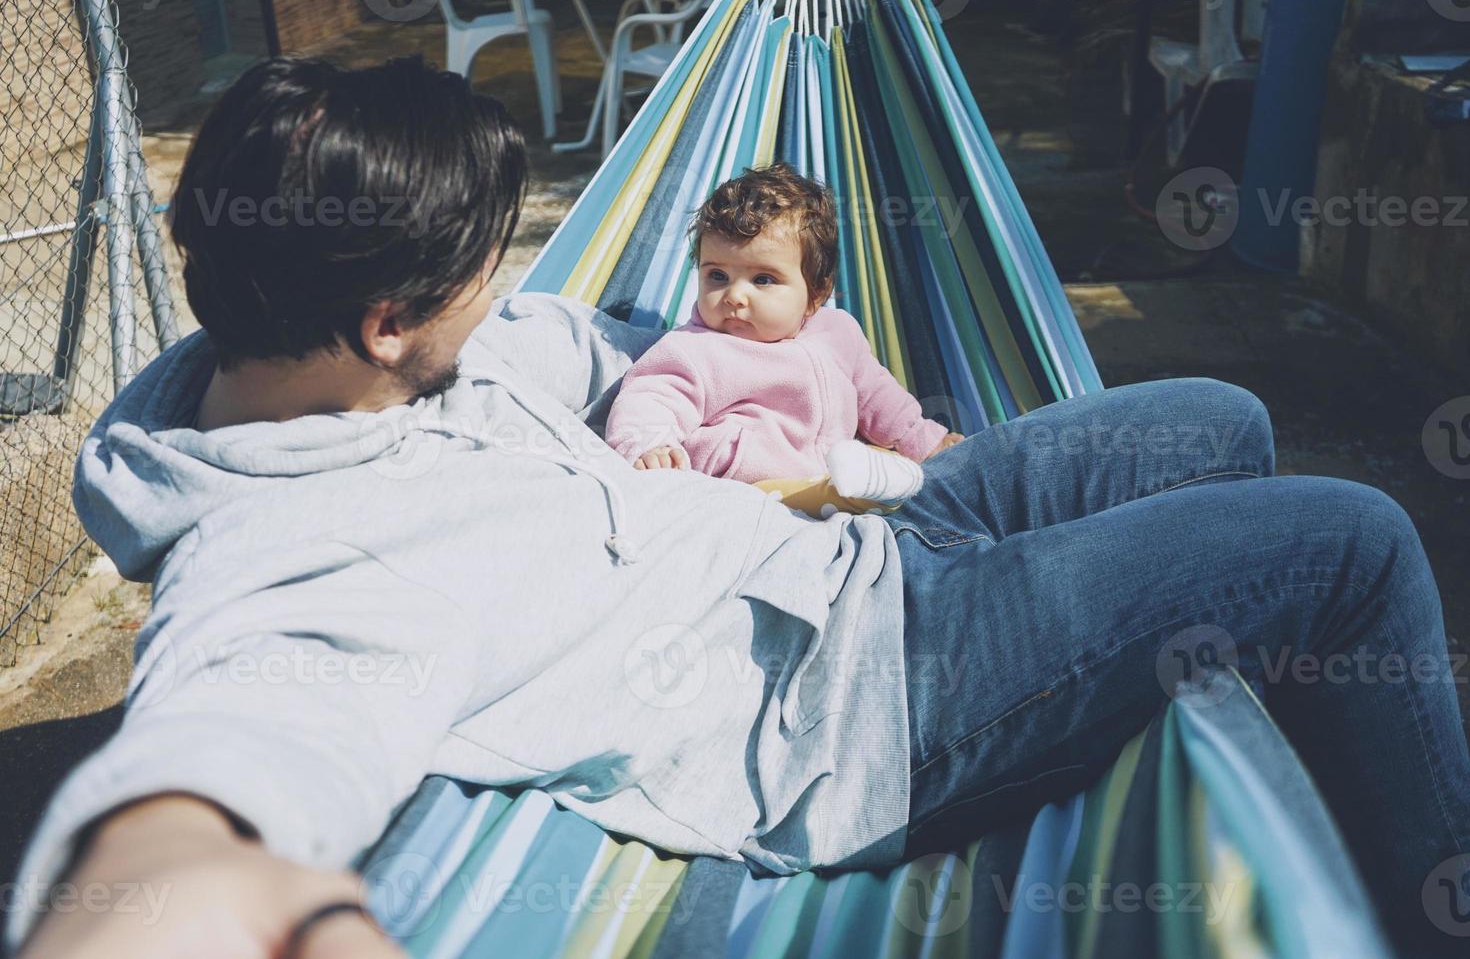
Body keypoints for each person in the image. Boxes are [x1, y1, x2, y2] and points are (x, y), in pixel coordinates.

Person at [8, 56, 1468, 959]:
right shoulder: (288, 556)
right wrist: (157, 870)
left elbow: (592, 337)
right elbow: (230, 742)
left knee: (1222, 422)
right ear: (391, 317)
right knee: (1351, 544)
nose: (508, 288)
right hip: (865, 694)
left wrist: (765, 336)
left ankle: (1321, 786)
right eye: (484, 268)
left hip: (856, 531)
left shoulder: (365, 348)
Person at [604, 163, 962, 506]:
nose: (734, 296)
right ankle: (850, 498)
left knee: (889, 474)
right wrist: (650, 445)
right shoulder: (693, 350)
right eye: (717, 276)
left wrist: (923, 440)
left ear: (816, 293)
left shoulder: (839, 332)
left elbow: (878, 397)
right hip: (745, 490)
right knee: (846, 487)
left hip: (829, 472)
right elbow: (651, 398)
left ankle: (864, 494)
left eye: (763, 280)